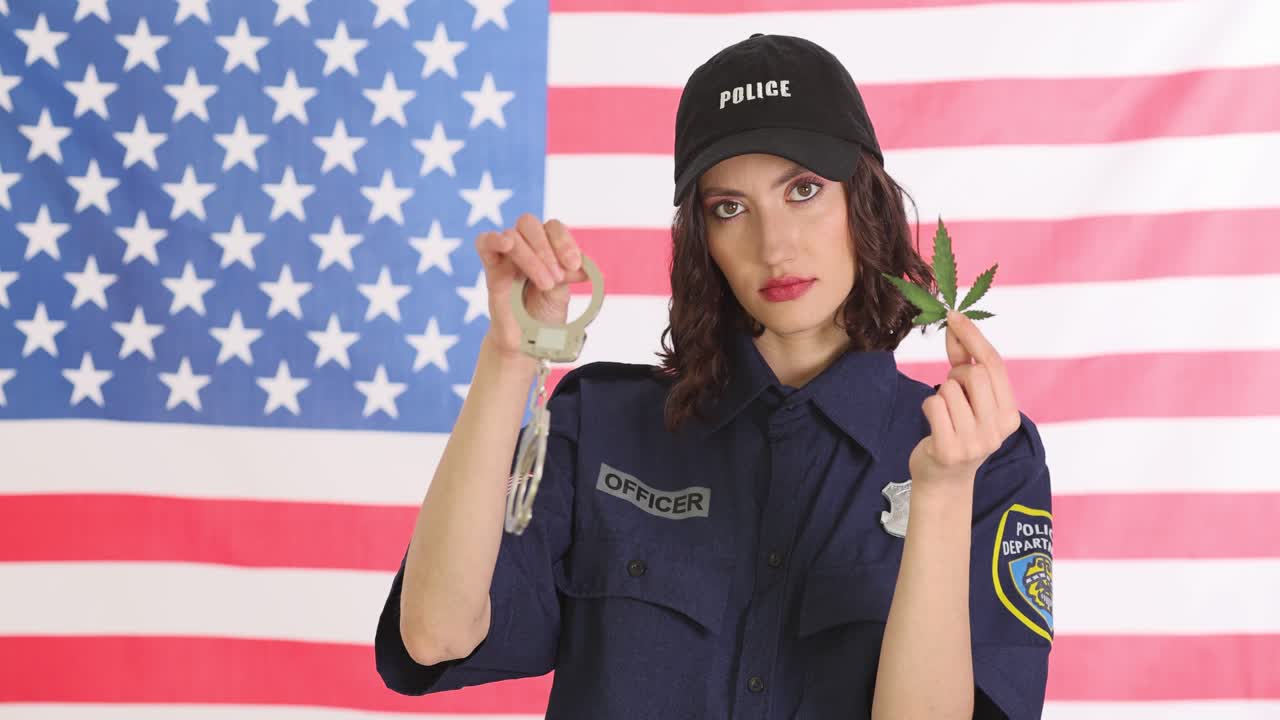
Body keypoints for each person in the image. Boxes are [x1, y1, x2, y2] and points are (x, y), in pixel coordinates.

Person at [374, 33, 1054, 719]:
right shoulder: (602, 422)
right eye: (729, 208)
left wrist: (938, 496)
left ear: (865, 202)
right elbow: (434, 634)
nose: (775, 246)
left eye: (804, 190)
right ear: (704, 243)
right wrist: (511, 353)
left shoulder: (984, 458)